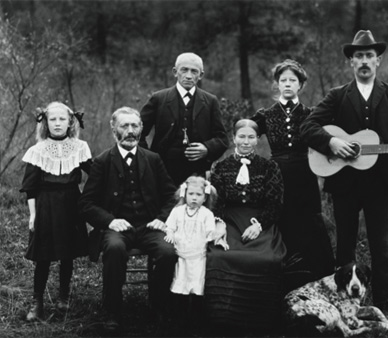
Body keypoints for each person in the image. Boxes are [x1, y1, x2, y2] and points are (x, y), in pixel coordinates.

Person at [301, 30, 388, 321]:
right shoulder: (337, 95)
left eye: (370, 56)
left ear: (378, 60)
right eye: (359, 56)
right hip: (345, 183)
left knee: (381, 247)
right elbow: (309, 127)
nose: (365, 61)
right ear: (351, 62)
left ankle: (383, 304)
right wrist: (332, 142)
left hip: (380, 183)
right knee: (345, 244)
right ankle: (345, 304)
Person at [78, 107, 177, 332]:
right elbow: (86, 204)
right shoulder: (102, 161)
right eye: (125, 126)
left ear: (142, 129)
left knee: (168, 252)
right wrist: (110, 221)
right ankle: (112, 310)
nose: (130, 131)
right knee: (113, 249)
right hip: (117, 228)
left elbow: (172, 195)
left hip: (150, 226)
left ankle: (159, 306)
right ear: (114, 130)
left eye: (135, 126)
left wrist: (162, 219)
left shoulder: (153, 159)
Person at [252, 59, 335, 289]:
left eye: (293, 80)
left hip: (305, 174)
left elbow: (328, 136)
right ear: (276, 85)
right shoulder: (265, 115)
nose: (288, 84)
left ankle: (316, 278)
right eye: (283, 80)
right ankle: (280, 280)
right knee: (280, 219)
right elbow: (244, 136)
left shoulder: (312, 114)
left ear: (301, 85)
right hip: (276, 175)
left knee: (308, 221)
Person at [204, 119, 287, 336]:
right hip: (229, 221)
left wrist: (260, 224)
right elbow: (217, 201)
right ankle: (222, 318)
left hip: (259, 221)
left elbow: (274, 203)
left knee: (268, 258)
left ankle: (261, 321)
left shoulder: (270, 167)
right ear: (233, 139)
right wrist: (219, 223)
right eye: (242, 136)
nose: (246, 142)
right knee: (218, 256)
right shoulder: (220, 167)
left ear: (258, 140)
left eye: (251, 137)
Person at [20, 102, 91, 321]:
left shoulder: (79, 147)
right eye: (53, 119)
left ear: (70, 122)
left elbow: (97, 174)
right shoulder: (37, 151)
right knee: (44, 255)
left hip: (71, 204)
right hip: (46, 206)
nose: (57, 124)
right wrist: (33, 215)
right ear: (45, 123)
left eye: (62, 119)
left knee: (67, 253)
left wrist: (88, 200)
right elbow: (30, 188)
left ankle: (63, 297)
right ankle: (37, 301)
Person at [139, 52, 229, 186]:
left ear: (201, 75)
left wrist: (207, 148)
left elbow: (222, 139)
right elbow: (137, 132)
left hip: (196, 175)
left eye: (194, 71)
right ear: (175, 72)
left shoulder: (210, 101)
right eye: (184, 70)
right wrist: (149, 158)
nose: (188, 76)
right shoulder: (159, 99)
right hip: (161, 172)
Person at [163, 175, 228, 335]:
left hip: (198, 257)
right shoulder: (177, 211)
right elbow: (169, 226)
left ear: (205, 197)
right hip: (182, 256)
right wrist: (170, 233)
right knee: (180, 285)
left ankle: (196, 321)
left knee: (197, 286)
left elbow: (211, 233)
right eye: (191, 194)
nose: (194, 198)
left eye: (198, 195)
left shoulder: (206, 214)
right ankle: (179, 320)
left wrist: (218, 240)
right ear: (184, 194)